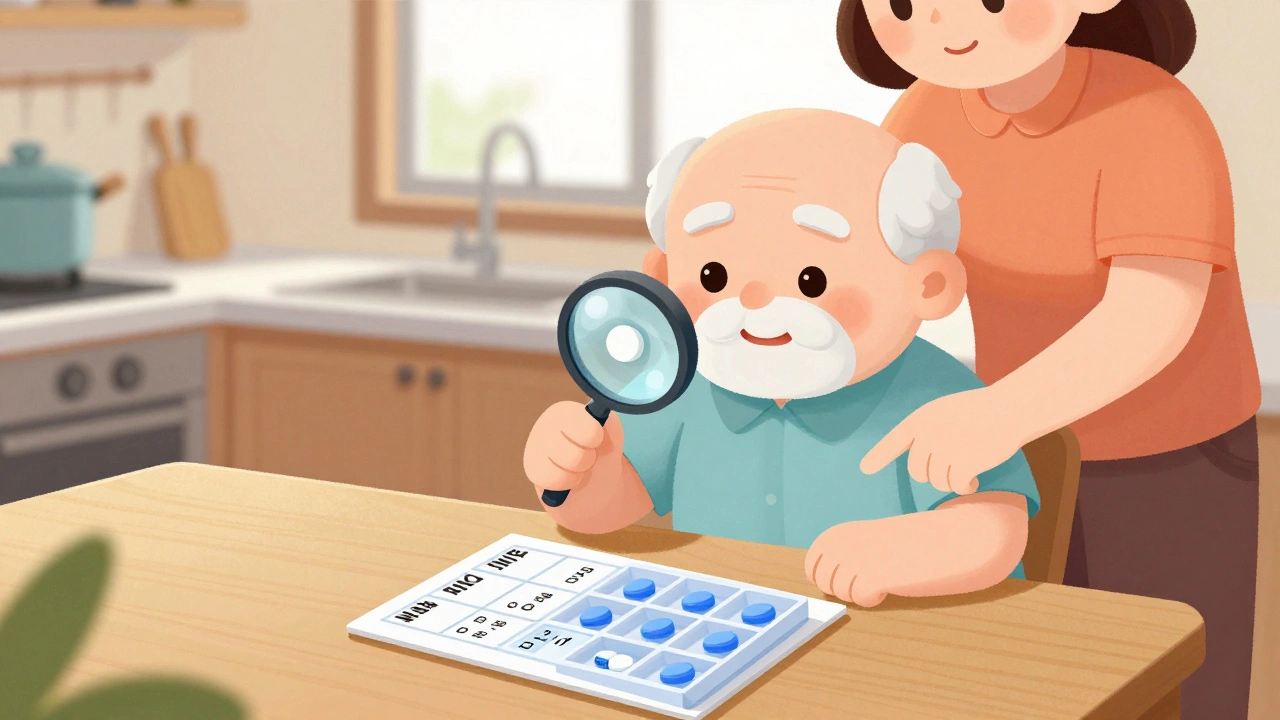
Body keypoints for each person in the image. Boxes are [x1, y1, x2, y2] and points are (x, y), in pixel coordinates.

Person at [835, 1, 1261, 717]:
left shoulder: (1154, 115)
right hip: (1017, 458)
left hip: (1169, 459)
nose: (941, 20)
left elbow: (1151, 313)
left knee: (1175, 689)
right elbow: (887, 273)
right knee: (1035, 681)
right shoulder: (922, 117)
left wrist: (996, 414)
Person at [524, 109, 1041, 607]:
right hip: (729, 635)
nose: (752, 302)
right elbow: (614, 508)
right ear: (663, 274)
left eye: (810, 281)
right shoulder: (679, 384)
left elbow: (994, 529)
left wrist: (898, 555)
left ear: (927, 286)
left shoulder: (940, 397)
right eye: (713, 278)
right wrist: (579, 474)